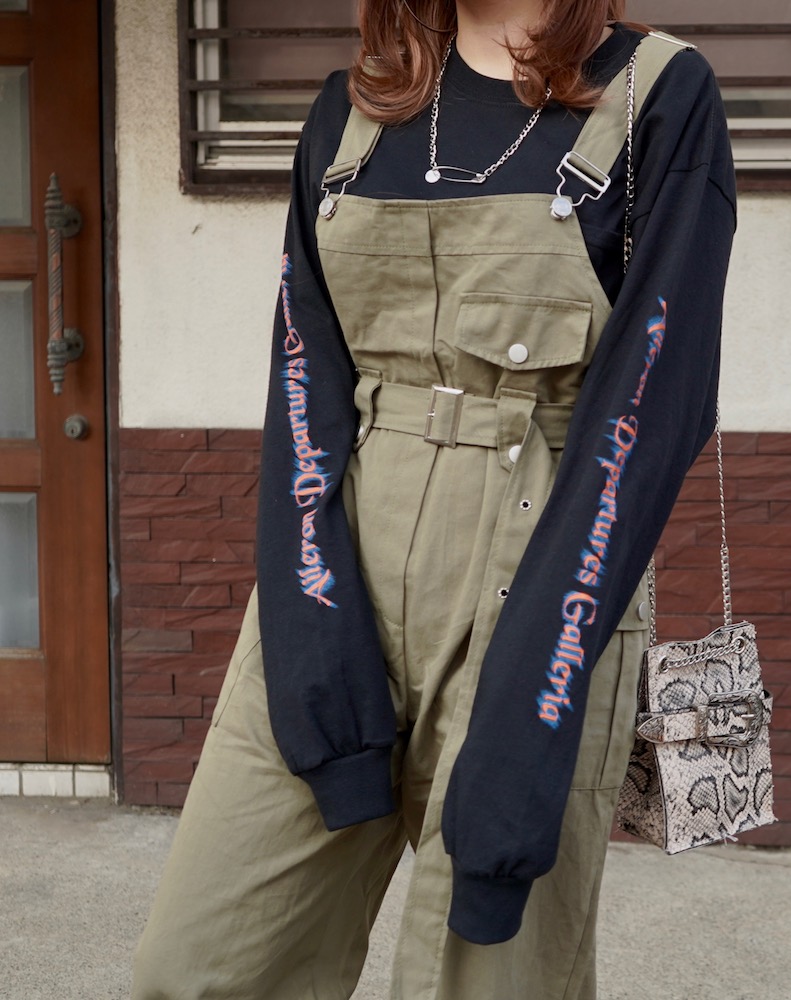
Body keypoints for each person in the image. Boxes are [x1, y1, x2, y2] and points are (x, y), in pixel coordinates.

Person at [132, 0, 735, 996]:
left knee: (484, 978)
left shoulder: (658, 96)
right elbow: (303, 381)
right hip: (339, 567)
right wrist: (309, 626)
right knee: (197, 966)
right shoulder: (353, 110)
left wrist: (537, 689)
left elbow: (649, 406)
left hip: (545, 573)